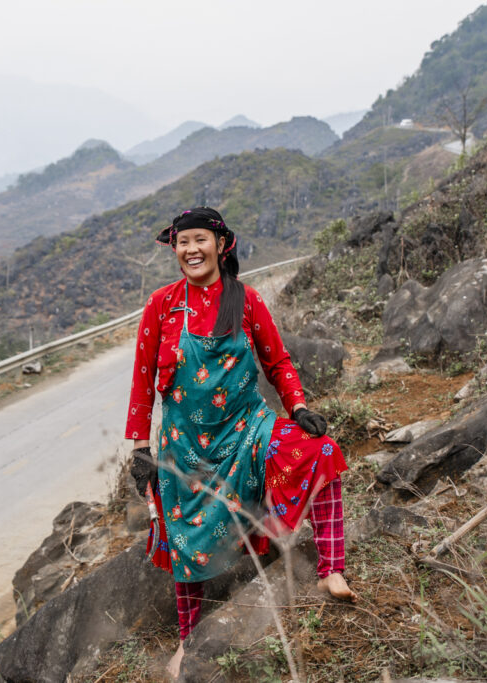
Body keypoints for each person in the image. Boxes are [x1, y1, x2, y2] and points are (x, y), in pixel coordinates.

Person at [126, 207, 355, 676]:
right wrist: (139, 447)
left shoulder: (245, 301)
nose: (191, 249)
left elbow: (278, 361)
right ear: (175, 249)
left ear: (221, 244)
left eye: (199, 240)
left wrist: (299, 408)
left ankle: (331, 568)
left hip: (248, 431)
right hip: (183, 444)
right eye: (182, 242)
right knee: (185, 533)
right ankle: (189, 642)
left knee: (323, 452)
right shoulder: (161, 305)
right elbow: (142, 378)